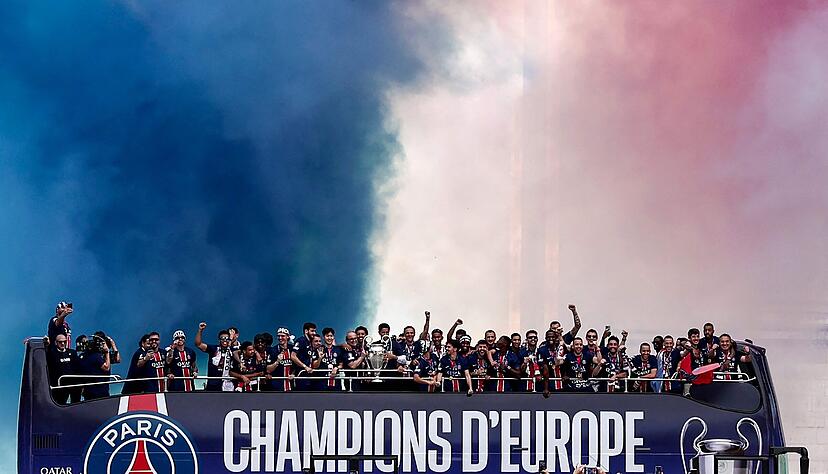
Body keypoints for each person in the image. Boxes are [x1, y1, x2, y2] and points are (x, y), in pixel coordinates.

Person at [195, 323, 235, 392]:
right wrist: (200, 330)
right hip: (213, 384)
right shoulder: (213, 349)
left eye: (226, 339)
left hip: (228, 384)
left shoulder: (233, 351)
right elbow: (198, 344)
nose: (224, 340)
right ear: (219, 340)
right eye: (222, 339)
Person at [46, 333, 80, 404]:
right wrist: (47, 344)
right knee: (61, 403)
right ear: (56, 342)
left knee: (76, 403)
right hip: (60, 387)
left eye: (64, 341)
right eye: (60, 342)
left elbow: (78, 368)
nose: (62, 343)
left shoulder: (72, 353)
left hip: (73, 385)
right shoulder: (52, 354)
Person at [80, 333, 112, 400]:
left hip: (88, 389)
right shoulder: (97, 356)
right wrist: (107, 352)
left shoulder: (84, 355)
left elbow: (117, 359)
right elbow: (106, 368)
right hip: (99, 390)